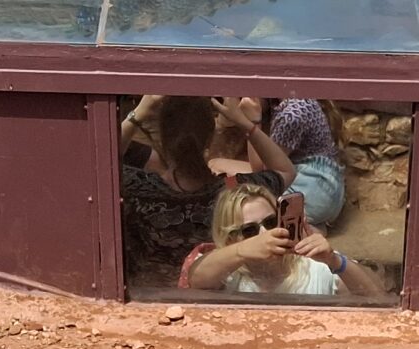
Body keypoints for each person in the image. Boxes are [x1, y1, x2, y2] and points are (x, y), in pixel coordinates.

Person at [119, 95, 296, 288]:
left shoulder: (137, 188)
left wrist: (137, 115)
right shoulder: (231, 191)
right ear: (210, 137)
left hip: (145, 296)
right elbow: (285, 170)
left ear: (161, 137)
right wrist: (246, 123)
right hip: (213, 295)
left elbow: (100, 165)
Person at [183, 179, 384, 298]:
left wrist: (335, 261)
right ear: (229, 240)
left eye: (271, 222)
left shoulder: (315, 267)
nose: (265, 234)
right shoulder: (228, 276)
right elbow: (197, 279)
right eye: (250, 230)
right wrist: (243, 251)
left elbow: (377, 296)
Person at [261, 98, 347, 226]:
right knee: (227, 168)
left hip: (312, 191)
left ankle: (300, 226)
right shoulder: (301, 101)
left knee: (244, 190)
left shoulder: (291, 115)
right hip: (328, 190)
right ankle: (313, 227)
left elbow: (263, 170)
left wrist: (251, 122)